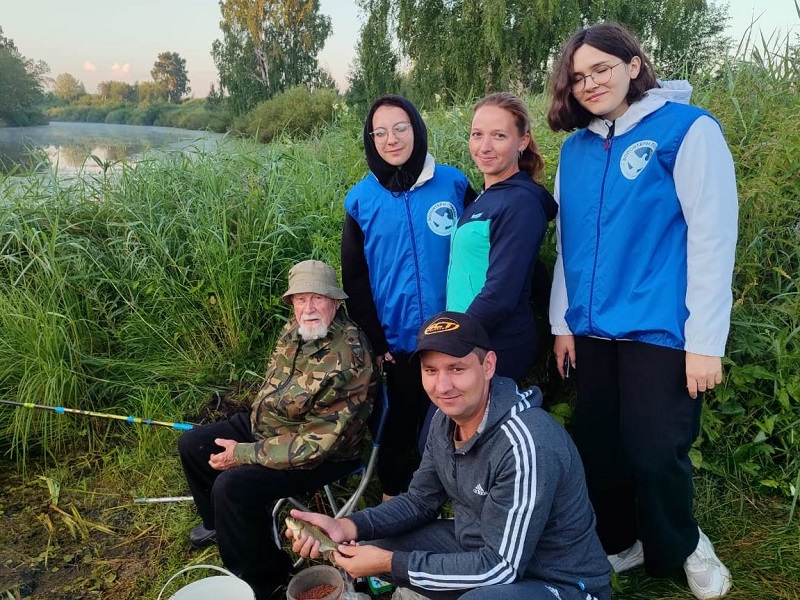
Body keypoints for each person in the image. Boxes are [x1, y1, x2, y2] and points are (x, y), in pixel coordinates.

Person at [546, 22, 738, 600]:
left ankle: (682, 543)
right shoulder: (575, 150)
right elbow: (569, 246)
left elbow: (711, 235)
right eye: (578, 77)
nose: (590, 83)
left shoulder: (688, 129)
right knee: (598, 445)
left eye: (601, 68)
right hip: (592, 329)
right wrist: (562, 322)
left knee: (657, 450)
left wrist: (706, 341)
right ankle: (623, 539)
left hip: (661, 327)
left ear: (633, 64)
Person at [288, 311, 611, 600]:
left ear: (488, 366)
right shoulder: (445, 421)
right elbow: (419, 501)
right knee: (382, 544)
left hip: (561, 582)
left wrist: (392, 565)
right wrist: (346, 526)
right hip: (481, 548)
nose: (443, 386)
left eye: (457, 368)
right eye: (431, 370)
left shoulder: (526, 443)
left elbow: (501, 568)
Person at [177, 259, 376, 600]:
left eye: (318, 298)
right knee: (193, 445)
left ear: (336, 302)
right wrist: (250, 437)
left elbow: (315, 445)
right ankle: (221, 527)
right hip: (270, 428)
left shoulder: (349, 358)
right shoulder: (294, 330)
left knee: (233, 487)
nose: (308, 308)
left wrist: (243, 453)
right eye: (300, 299)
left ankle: (267, 581)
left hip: (320, 453)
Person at [341, 93, 475, 499]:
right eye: (379, 132)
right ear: (370, 140)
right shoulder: (361, 201)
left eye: (400, 128)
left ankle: (461, 498)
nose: (391, 139)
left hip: (452, 332)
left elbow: (482, 249)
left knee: (455, 417)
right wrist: (377, 342)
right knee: (398, 422)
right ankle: (395, 501)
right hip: (397, 341)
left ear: (416, 129)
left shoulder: (452, 183)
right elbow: (356, 278)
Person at [446, 92, 557, 383]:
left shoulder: (521, 203)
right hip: (469, 342)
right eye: (477, 134)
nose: (484, 146)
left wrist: (453, 341)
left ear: (522, 141)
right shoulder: (486, 198)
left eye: (498, 135)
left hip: (493, 347)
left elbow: (501, 294)